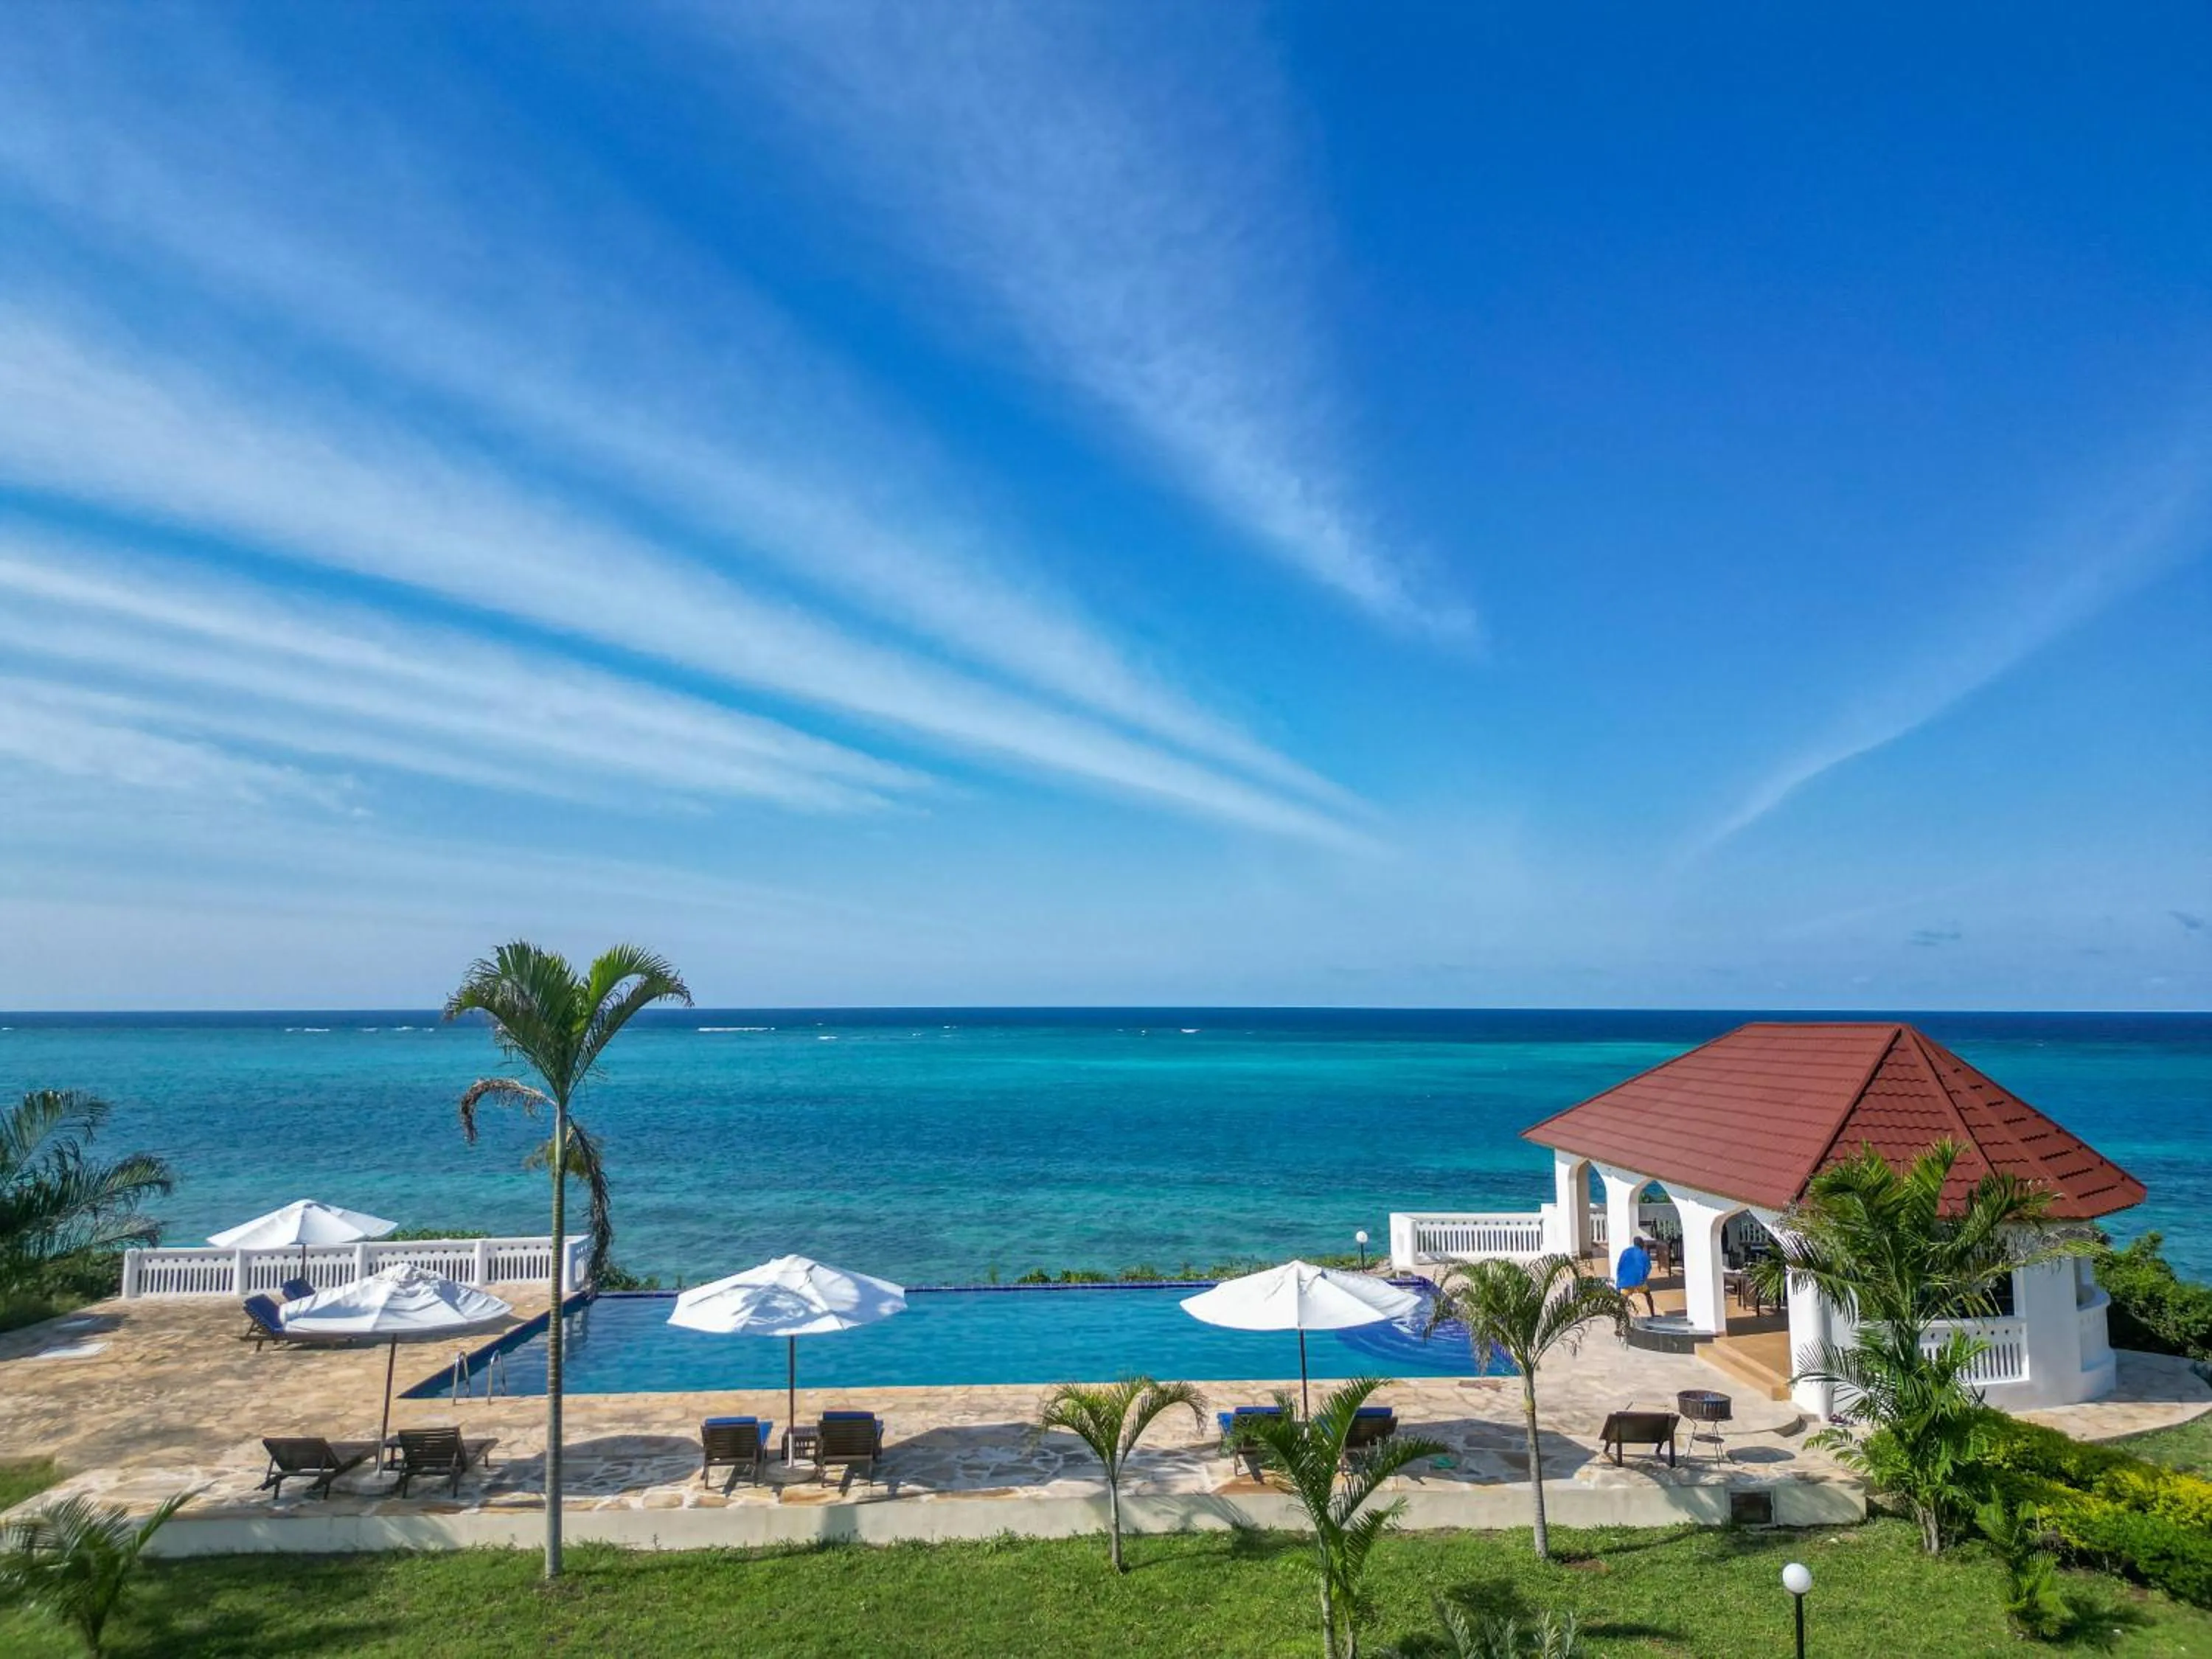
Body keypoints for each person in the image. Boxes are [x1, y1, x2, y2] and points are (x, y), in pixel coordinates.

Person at [1615, 1234, 1656, 1317]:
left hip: (1626, 1282)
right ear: (1641, 1244)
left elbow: (1620, 1266)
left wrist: (1620, 1281)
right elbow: (1648, 1268)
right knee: (1648, 1295)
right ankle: (1653, 1314)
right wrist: (1643, 1279)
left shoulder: (1625, 1252)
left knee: (1623, 1301)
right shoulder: (1644, 1254)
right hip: (1639, 1282)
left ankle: (1620, 1319)